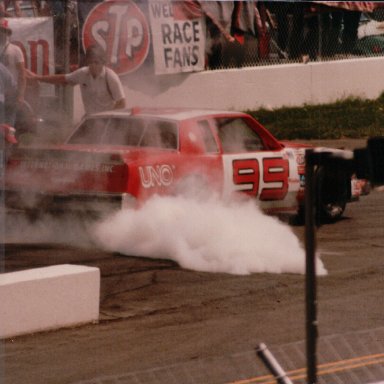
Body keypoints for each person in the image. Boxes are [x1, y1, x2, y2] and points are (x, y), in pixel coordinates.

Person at [28, 44, 126, 116]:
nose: (93, 65)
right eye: (91, 62)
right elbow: (62, 79)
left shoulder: (110, 77)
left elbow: (121, 103)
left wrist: (106, 117)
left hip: (106, 120)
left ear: (103, 62)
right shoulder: (83, 73)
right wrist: (38, 78)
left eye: (97, 62)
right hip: (89, 118)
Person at [0, 17, 26, 125]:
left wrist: (21, 95)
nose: (1, 33)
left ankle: (7, 140)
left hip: (11, 92)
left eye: (3, 30)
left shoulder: (15, 50)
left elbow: (22, 74)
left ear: (8, 32)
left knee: (9, 124)